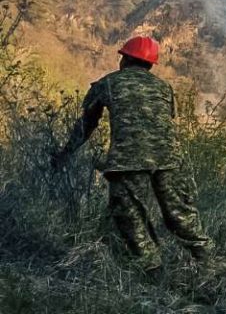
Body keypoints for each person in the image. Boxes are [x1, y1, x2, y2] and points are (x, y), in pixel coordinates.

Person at [51, 36, 213, 272]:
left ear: (125, 59)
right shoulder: (164, 88)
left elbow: (85, 126)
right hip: (169, 160)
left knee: (131, 218)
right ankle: (211, 265)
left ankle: (152, 269)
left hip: (128, 161)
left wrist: (64, 154)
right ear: (150, 64)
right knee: (181, 216)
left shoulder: (107, 84)